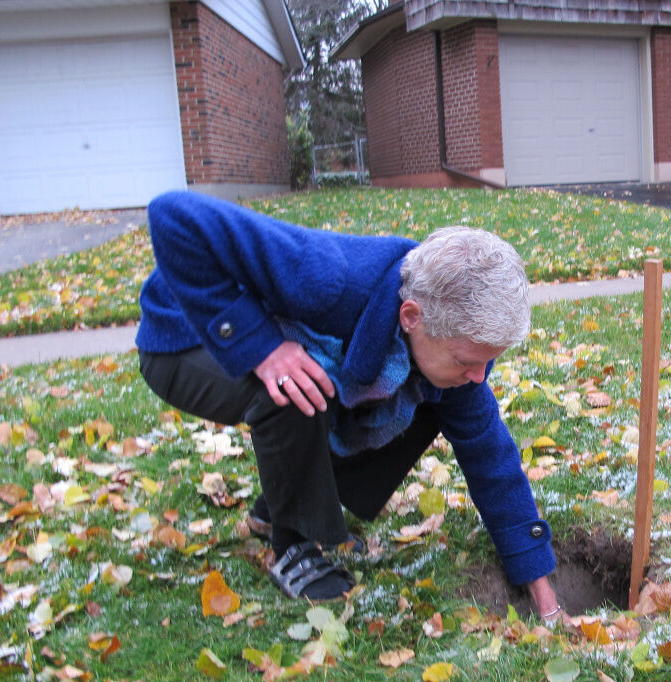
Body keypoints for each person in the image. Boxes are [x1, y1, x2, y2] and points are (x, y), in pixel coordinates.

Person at [135, 191, 563, 622]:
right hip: (185, 336)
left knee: (424, 398)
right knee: (296, 382)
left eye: (488, 360)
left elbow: (493, 461)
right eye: (468, 360)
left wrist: (543, 594)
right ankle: (293, 545)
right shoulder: (327, 276)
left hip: (273, 340)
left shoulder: (449, 349)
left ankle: (273, 510)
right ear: (412, 316)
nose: (479, 375)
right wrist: (260, 348)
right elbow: (173, 215)